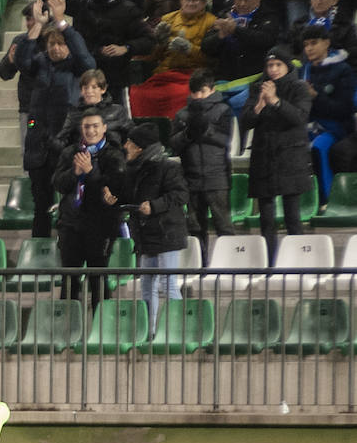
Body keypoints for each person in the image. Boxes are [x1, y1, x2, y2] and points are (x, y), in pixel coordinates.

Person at [16, 0, 95, 238]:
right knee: (41, 205)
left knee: (70, 204)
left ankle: (68, 247)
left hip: (67, 146)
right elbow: (21, 61)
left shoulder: (76, 66)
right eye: (52, 44)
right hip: (39, 144)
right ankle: (40, 252)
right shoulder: (39, 63)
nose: (56, 49)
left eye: (60, 44)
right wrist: (37, 26)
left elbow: (88, 61)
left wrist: (63, 25)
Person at [18, 0, 154, 101]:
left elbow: (149, 40)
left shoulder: (128, 9)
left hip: (116, 81)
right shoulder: (81, 5)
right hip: (84, 80)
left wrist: (126, 47)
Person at [108, 122, 188, 337]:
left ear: (141, 147)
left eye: (130, 143)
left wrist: (154, 206)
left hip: (166, 234)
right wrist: (114, 199)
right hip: (145, 236)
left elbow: (179, 195)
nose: (125, 146)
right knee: (146, 285)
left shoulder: (168, 167)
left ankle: (178, 332)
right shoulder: (131, 169)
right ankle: (149, 332)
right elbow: (128, 197)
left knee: (168, 284)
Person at [242, 44, 312, 262]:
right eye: (270, 65)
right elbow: (245, 122)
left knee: (292, 215)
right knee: (267, 218)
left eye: (277, 64)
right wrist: (259, 107)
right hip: (264, 158)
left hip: (291, 158)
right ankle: (269, 262)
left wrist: (276, 102)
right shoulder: (258, 89)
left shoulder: (299, 88)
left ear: (287, 66)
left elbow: (299, 118)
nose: (273, 69)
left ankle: (297, 262)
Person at [53, 109, 127, 312]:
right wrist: (74, 172)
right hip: (71, 224)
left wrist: (90, 172)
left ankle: (100, 331)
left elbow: (115, 188)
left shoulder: (114, 154)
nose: (91, 131)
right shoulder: (70, 153)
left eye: (95, 126)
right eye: (87, 127)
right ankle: (68, 331)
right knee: (70, 281)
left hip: (100, 226)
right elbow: (58, 184)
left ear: (104, 128)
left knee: (99, 280)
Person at [128, 0, 215, 119]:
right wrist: (159, 43)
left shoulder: (212, 22)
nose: (191, 3)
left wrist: (190, 49)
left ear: (204, 3)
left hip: (193, 75)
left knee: (181, 94)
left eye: (195, 0)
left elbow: (213, 59)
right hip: (166, 73)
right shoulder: (167, 19)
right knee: (137, 93)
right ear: (181, 1)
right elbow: (153, 57)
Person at [201, 0, 281, 120]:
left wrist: (235, 31)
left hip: (256, 80)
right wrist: (220, 36)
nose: (242, 3)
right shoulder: (224, 15)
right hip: (224, 79)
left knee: (236, 103)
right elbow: (206, 47)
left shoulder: (269, 16)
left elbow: (267, 40)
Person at [171, 69, 236, 242]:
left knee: (224, 227)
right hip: (191, 180)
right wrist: (188, 134)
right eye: (195, 92)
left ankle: (230, 267)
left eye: (203, 91)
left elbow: (225, 140)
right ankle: (199, 268)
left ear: (212, 89)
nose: (199, 96)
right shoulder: (181, 114)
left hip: (217, 178)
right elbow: (174, 145)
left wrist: (205, 129)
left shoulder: (223, 110)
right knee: (195, 229)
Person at [299, 25, 357, 204]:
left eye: (314, 43)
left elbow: (344, 109)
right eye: (306, 44)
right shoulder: (304, 71)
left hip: (336, 128)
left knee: (319, 147)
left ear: (327, 43)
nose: (309, 48)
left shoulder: (343, 70)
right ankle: (303, 204)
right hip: (308, 126)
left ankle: (328, 200)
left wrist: (317, 97)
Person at [56, 69, 132, 149]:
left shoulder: (117, 111)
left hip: (114, 157)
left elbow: (132, 134)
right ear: (81, 91)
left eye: (94, 87)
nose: (89, 91)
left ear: (103, 89)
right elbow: (61, 143)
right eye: (85, 88)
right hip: (83, 157)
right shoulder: (73, 114)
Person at [288, 0, 357, 58]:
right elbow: (292, 51)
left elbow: (352, 52)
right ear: (310, 0)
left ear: (335, 0)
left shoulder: (345, 24)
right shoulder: (299, 24)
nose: (319, 2)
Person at [0, 3, 39, 132]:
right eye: (28, 19)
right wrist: (10, 61)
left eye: (34, 18)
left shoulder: (54, 40)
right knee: (27, 149)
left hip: (53, 108)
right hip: (28, 110)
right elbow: (4, 74)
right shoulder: (20, 41)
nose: (30, 23)